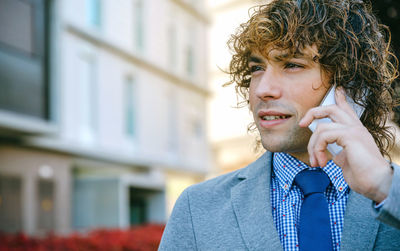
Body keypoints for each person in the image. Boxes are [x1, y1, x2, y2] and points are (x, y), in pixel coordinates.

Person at [159, 0, 400, 250]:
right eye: (256, 68)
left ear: (351, 86)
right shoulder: (196, 209)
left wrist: (385, 186)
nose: (262, 90)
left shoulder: (390, 193)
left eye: (292, 65)